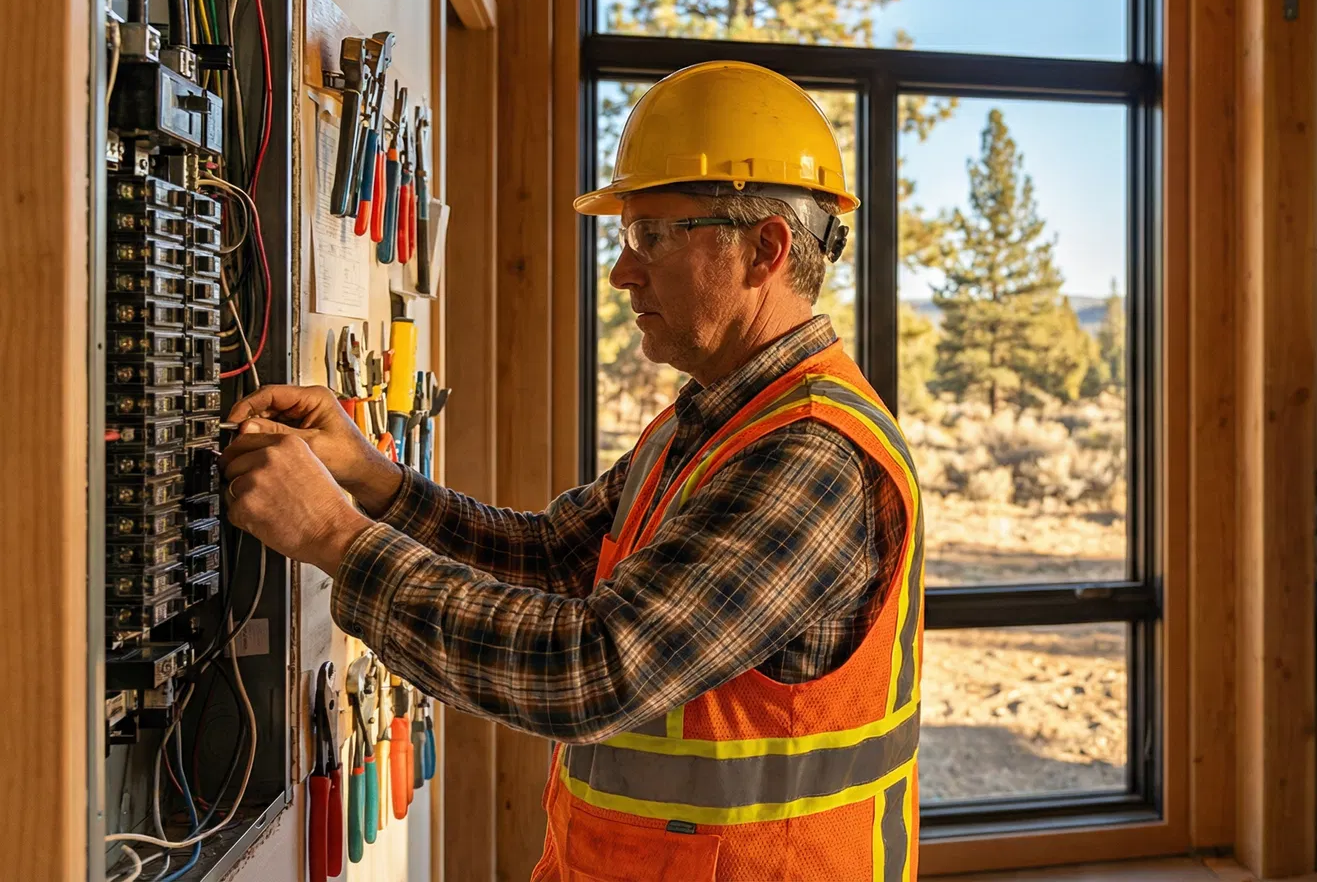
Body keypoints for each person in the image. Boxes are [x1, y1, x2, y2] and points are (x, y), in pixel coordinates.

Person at [218, 61, 924, 881]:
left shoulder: (808, 456)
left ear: (764, 247)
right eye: (629, 237)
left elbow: (594, 671)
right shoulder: (710, 421)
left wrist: (337, 539)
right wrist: (373, 480)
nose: (625, 271)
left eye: (653, 235)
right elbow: (553, 556)